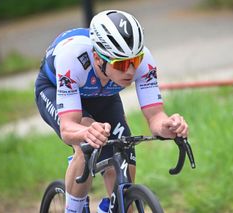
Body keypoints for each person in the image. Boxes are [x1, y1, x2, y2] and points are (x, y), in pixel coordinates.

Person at [34, 10, 188, 213]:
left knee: (124, 150)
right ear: (98, 58)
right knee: (87, 143)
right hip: (55, 90)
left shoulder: (144, 62)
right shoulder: (73, 60)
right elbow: (68, 127)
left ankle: (115, 206)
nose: (131, 71)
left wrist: (168, 126)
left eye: (135, 61)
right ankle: (73, 209)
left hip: (103, 94)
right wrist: (85, 133)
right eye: (122, 64)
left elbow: (155, 116)